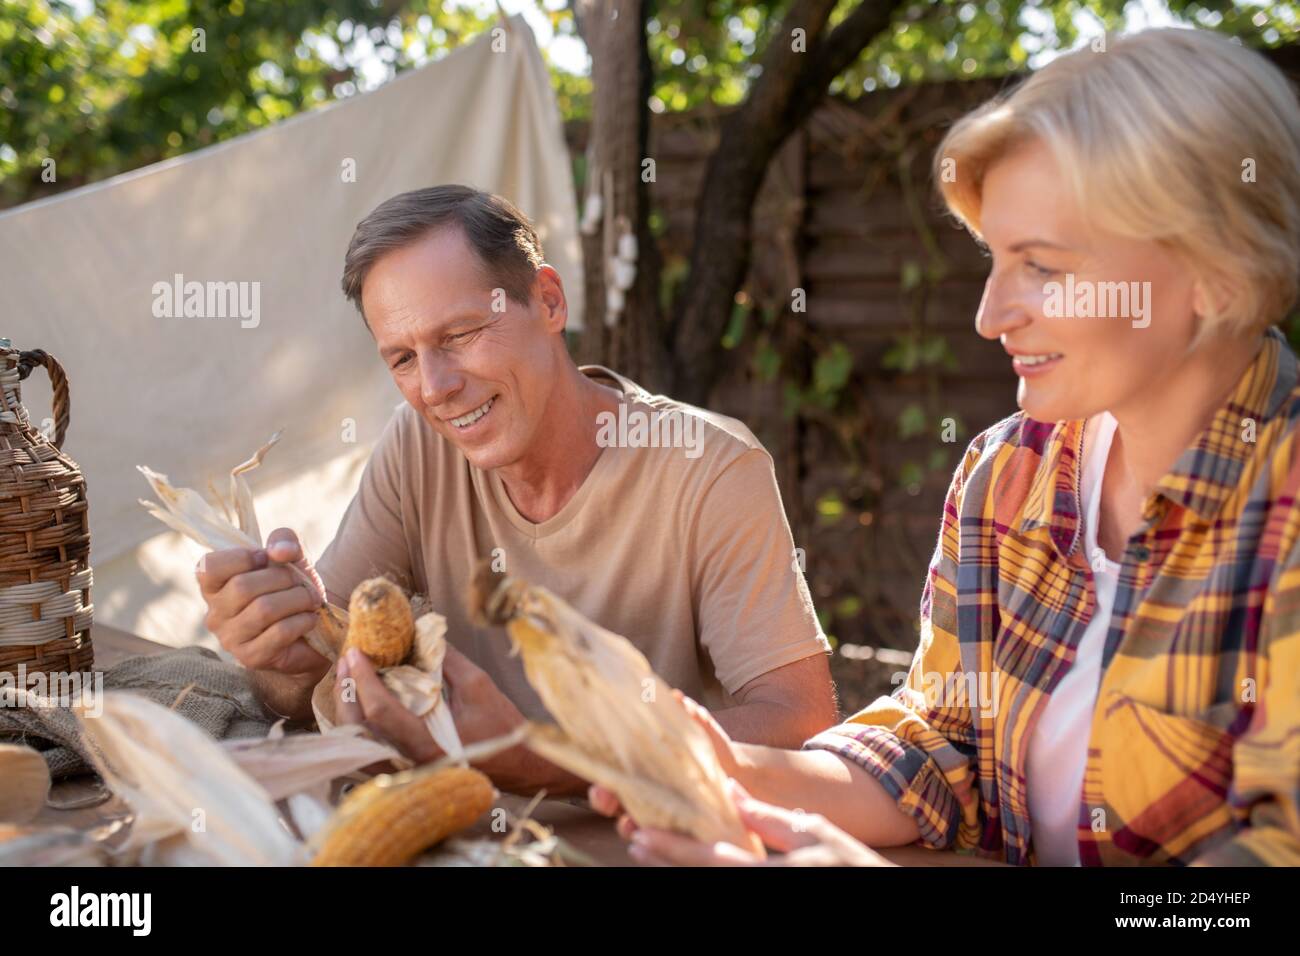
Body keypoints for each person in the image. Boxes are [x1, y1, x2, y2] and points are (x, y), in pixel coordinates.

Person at [597, 27, 1300, 866]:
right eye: (994, 261)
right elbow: (942, 742)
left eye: (1043, 267)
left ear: (1215, 271)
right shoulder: (1009, 472)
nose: (991, 315)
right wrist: (729, 767)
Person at [194, 185, 837, 794]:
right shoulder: (415, 446)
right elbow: (306, 688)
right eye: (403, 358)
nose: (436, 386)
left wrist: (545, 758)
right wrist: (278, 650)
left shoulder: (712, 468)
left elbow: (799, 725)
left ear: (549, 302)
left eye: (460, 335)